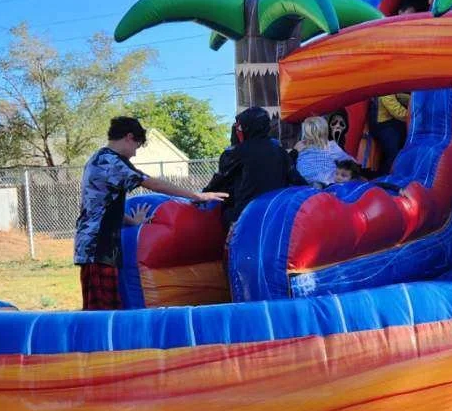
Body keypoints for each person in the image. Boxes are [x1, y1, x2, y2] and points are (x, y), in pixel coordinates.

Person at [75, 115, 224, 310]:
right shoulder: (112, 162)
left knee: (102, 307)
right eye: (137, 146)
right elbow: (152, 183)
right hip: (98, 246)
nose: (135, 154)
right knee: (103, 310)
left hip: (92, 244)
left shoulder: (98, 158)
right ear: (129, 137)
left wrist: (131, 220)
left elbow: (101, 204)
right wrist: (196, 196)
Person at [203, 105, 305, 230]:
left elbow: (220, 179)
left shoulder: (238, 151)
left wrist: (202, 195)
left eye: (240, 126)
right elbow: (296, 179)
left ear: (247, 127)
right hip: (274, 214)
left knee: (223, 207)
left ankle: (226, 244)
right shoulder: (279, 150)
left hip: (245, 214)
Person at [294, 116, 353, 186]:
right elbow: (348, 160)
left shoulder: (300, 146)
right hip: (326, 181)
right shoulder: (330, 146)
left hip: (304, 181)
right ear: (325, 131)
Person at [373, 93, 410, 170]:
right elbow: (396, 111)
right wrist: (412, 116)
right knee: (393, 154)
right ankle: (389, 176)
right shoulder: (384, 91)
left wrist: (412, 99)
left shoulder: (388, 90)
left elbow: (398, 96)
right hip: (384, 125)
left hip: (388, 122)